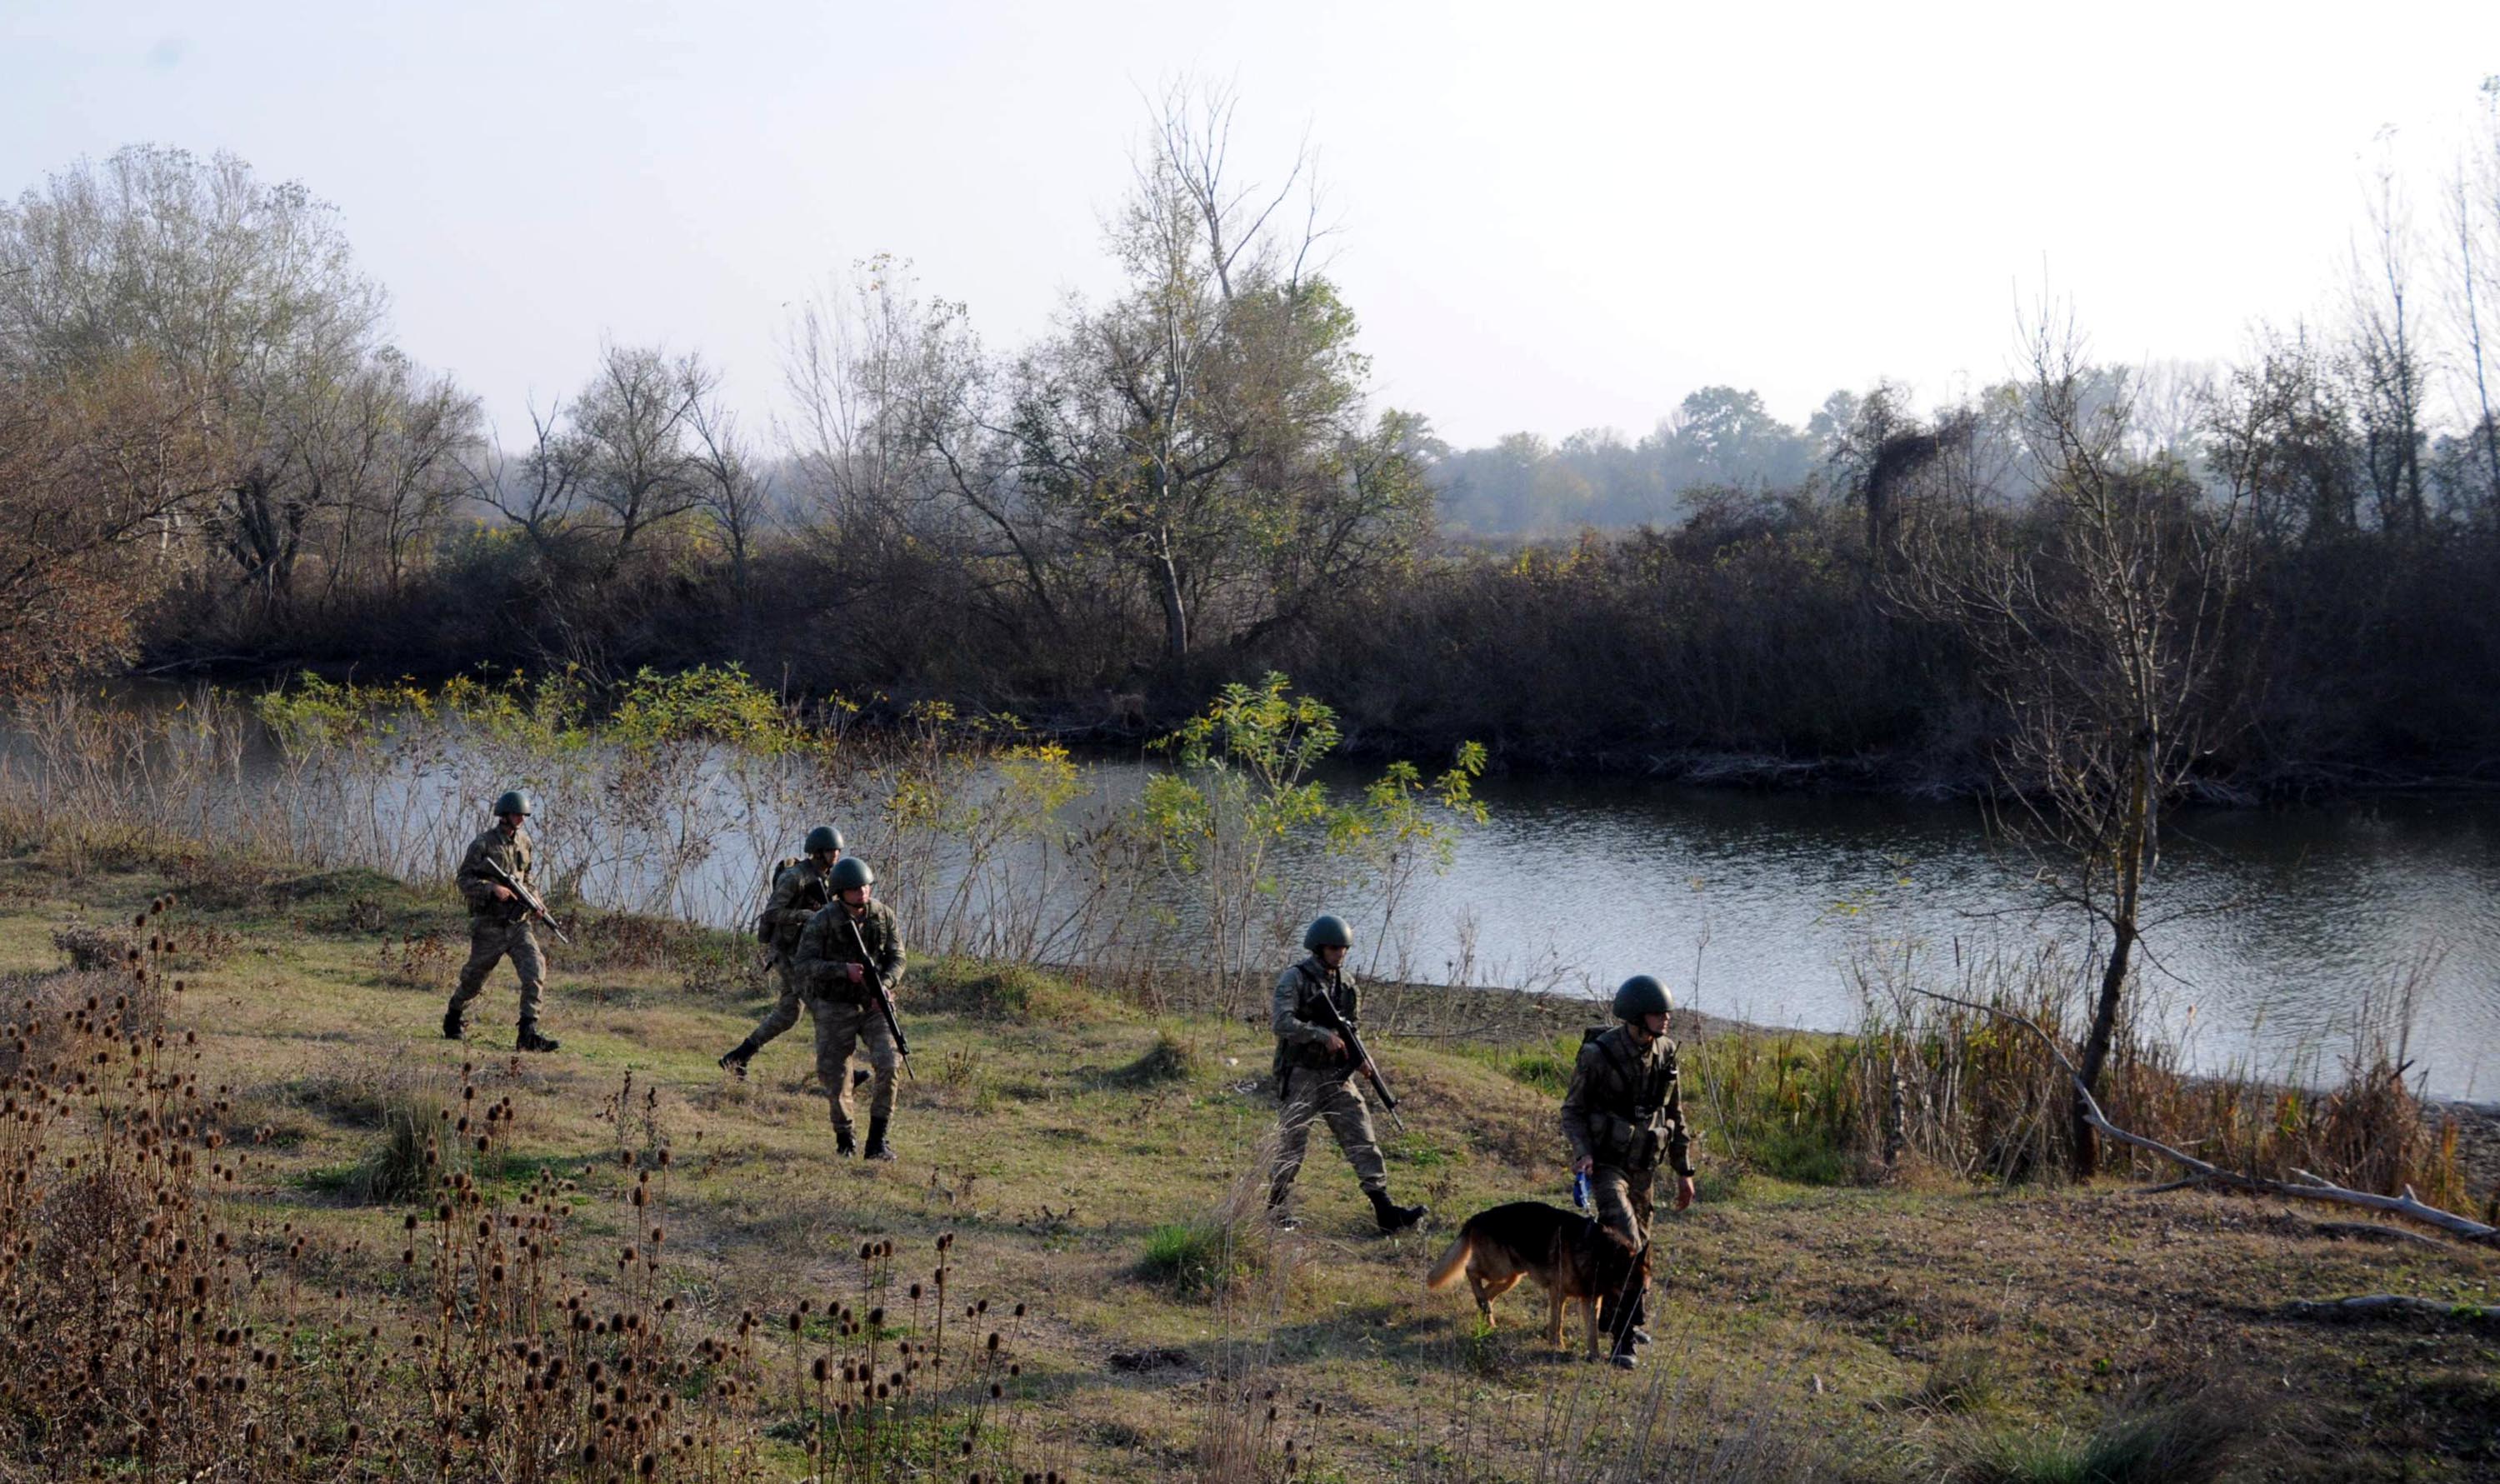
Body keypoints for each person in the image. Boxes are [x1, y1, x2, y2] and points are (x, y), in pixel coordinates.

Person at [1559, 974, 1698, 1369]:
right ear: (1638, 1017)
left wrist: (1683, 1170)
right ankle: (1623, 1340)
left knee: (1644, 1245)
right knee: (1627, 1243)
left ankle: (1621, 1318)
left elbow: (1675, 1115)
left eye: (1667, 1012)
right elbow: (1572, 1110)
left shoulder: (1667, 1052)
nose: (1667, 1018)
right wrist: (1583, 1153)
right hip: (1607, 1165)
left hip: (1645, 1167)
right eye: (1659, 1013)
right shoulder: (1598, 1055)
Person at [1268, 914, 1428, 1233]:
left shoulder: (1347, 984)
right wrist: (1320, 1035)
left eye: (1344, 948)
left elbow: (1350, 1028)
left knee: (1362, 1136)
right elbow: (1281, 1023)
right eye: (1334, 948)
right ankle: (1276, 1207)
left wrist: (1361, 1058)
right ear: (1319, 948)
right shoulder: (1295, 979)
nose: (1340, 954)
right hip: (1301, 1074)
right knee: (1292, 1143)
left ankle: (1385, 1211)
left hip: (1336, 1076)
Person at [790, 857, 905, 1159]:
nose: (863, 893)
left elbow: (898, 957)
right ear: (841, 892)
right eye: (855, 889)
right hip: (834, 1005)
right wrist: (843, 970)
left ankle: (878, 1142)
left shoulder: (883, 916)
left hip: (874, 1003)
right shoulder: (822, 921)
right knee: (835, 1073)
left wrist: (886, 984)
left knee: (891, 1064)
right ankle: (845, 1138)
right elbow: (803, 965)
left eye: (866, 887)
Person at [718, 825, 845, 1077]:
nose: (837, 854)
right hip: (788, 954)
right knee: (822, 1009)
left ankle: (737, 1057)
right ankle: (841, 1073)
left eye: (839, 850)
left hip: (806, 952)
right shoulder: (795, 877)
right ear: (818, 852)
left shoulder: (830, 877)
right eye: (832, 850)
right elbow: (772, 913)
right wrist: (805, 915)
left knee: (789, 1013)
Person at [443, 789, 559, 1052]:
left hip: (518, 924)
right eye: (517, 814)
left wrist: (537, 901)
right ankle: (453, 1016)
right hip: (490, 925)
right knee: (474, 978)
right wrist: (491, 889)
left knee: (535, 971)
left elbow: (528, 878)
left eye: (524, 815)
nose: (521, 819)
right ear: (504, 815)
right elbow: (463, 880)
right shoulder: (483, 844)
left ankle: (527, 1034)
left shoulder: (525, 843)